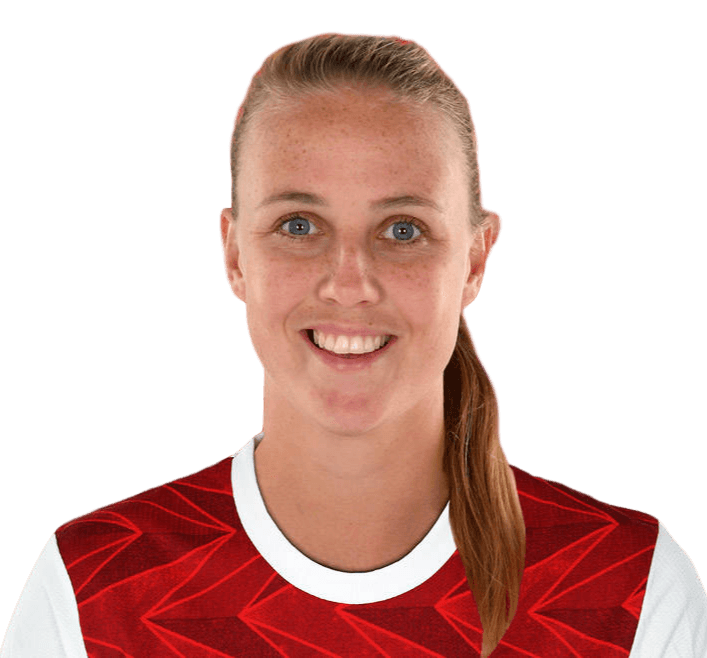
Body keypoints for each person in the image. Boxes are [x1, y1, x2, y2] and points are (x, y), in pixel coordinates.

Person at [2, 31, 705, 658]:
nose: (348, 285)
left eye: (402, 230)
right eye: (298, 225)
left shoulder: (629, 585)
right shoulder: (94, 588)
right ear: (234, 254)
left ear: (474, 259)